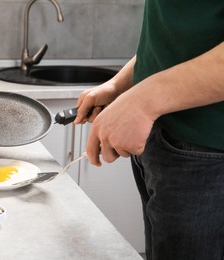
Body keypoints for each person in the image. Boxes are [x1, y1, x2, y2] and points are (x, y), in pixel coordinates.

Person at [74, 1, 224, 260]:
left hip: (207, 152)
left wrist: (143, 100)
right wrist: (119, 86)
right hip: (162, 143)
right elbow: (176, 37)